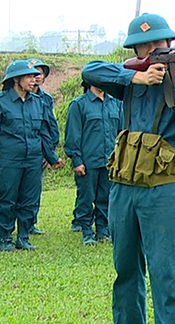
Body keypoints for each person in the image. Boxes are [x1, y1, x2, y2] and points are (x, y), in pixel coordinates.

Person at [84, 13, 175, 324]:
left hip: (163, 188)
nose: (152, 50)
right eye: (145, 46)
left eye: (158, 45)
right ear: (135, 49)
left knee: (167, 271)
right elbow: (91, 70)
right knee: (125, 267)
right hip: (124, 184)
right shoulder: (130, 80)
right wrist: (135, 75)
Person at [0, 60, 61, 251]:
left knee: (29, 199)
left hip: (33, 159)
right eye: (28, 76)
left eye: (34, 76)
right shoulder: (2, 103)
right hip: (9, 159)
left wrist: (51, 157)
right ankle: (5, 238)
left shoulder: (39, 103)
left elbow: (44, 132)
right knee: (7, 199)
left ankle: (24, 237)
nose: (33, 80)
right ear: (16, 79)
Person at [64, 78, 121, 244]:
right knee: (86, 198)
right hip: (88, 161)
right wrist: (76, 160)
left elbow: (122, 131)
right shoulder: (79, 105)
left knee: (106, 196)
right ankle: (87, 231)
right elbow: (73, 135)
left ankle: (103, 229)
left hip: (109, 161)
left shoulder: (115, 103)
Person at [27, 58, 61, 234]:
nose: (37, 77)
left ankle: (30, 223)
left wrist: (50, 152)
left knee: (34, 189)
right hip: (22, 149)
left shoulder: (46, 98)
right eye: (33, 73)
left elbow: (49, 126)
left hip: (42, 148)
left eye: (40, 73)